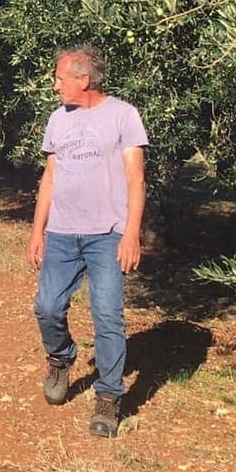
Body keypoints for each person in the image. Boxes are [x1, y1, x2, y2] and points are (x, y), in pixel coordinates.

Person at [28, 44, 147, 438]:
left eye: (60, 79)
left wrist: (131, 234)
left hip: (107, 235)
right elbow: (49, 178)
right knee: (46, 307)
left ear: (83, 79)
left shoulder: (123, 116)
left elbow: (136, 181)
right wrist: (37, 230)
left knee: (108, 316)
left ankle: (109, 397)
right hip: (62, 232)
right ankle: (61, 358)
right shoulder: (58, 119)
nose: (55, 85)